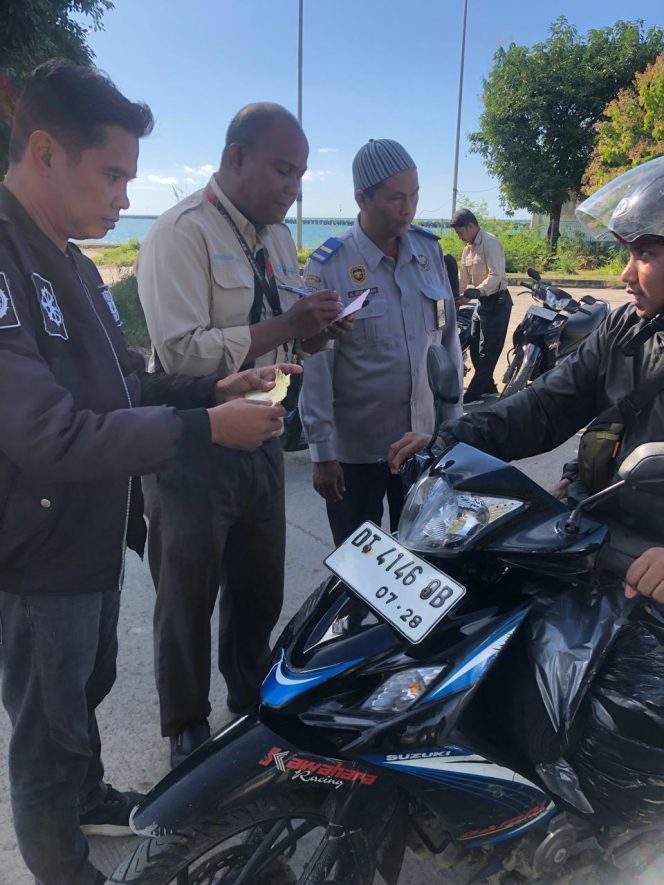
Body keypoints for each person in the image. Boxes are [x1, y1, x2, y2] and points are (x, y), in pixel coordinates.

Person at [0, 61, 296, 885]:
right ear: (47, 153)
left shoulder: (73, 261)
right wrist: (206, 425)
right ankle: (66, 869)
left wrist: (215, 385)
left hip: (87, 539)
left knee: (83, 694)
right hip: (35, 553)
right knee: (43, 731)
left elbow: (127, 380)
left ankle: (88, 790)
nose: (126, 196)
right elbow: (50, 435)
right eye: (113, 174)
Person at [390, 157, 664, 823]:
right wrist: (453, 437)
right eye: (628, 253)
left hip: (651, 566)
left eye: (648, 254)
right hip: (598, 531)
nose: (626, 273)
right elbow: (546, 404)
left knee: (618, 733)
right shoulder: (628, 326)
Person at [136, 103, 346, 767]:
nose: (293, 186)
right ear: (234, 159)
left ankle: (247, 691)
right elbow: (182, 353)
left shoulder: (278, 239)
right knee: (186, 595)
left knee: (261, 583)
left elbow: (278, 337)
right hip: (196, 443)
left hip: (261, 436)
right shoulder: (180, 233)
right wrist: (286, 328)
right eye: (282, 169)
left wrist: (312, 334)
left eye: (301, 174)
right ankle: (186, 726)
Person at [299, 139, 463, 546]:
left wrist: (455, 428)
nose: (408, 208)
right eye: (395, 198)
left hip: (424, 442)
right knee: (360, 571)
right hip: (357, 455)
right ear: (362, 198)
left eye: (414, 195)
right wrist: (322, 452)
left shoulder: (429, 252)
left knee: (427, 561)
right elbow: (317, 366)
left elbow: (448, 339)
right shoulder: (330, 267)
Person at [449, 207, 512, 403]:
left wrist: (476, 292)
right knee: (474, 344)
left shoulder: (490, 243)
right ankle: (488, 387)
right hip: (482, 302)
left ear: (471, 226)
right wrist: (455, 296)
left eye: (461, 232)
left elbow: (496, 276)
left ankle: (473, 394)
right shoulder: (467, 249)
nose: (460, 237)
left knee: (488, 350)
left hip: (497, 301)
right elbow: (463, 278)